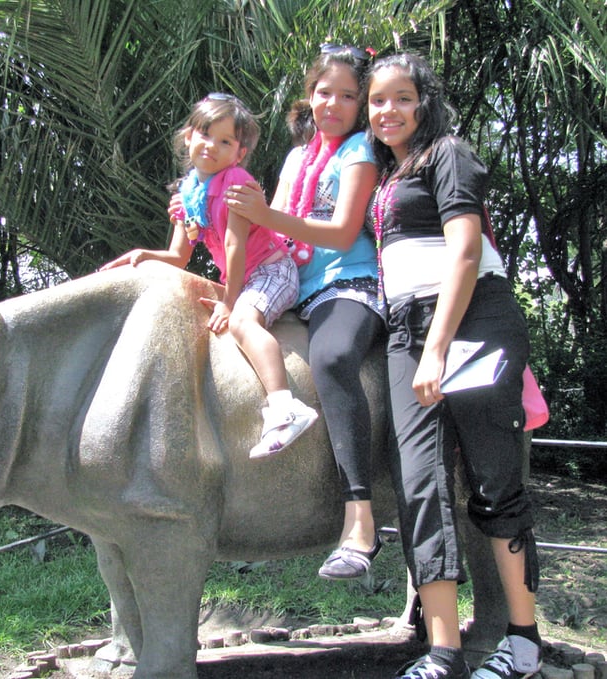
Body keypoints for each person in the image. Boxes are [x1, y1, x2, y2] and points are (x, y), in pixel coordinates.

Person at [365, 52, 541, 679]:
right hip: (404, 331)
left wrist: (437, 347)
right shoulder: (385, 177)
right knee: (419, 485)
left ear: (424, 102)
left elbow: (465, 253)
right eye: (378, 99)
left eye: (402, 97)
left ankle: (522, 641)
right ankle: (443, 653)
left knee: (494, 481)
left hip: (472, 322)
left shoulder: (449, 154)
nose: (389, 110)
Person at [224, 44, 386, 580]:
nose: (332, 104)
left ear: (361, 105)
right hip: (294, 286)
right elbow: (272, 230)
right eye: (323, 92)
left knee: (335, 357)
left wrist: (265, 213)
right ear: (308, 96)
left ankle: (359, 517)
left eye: (346, 95)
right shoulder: (296, 158)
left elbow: (342, 232)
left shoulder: (361, 149)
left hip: (349, 282)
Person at [100, 93, 318, 458]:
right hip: (245, 278)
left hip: (270, 270)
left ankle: (286, 407)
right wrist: (144, 255)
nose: (212, 146)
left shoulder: (236, 182)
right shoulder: (189, 191)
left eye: (225, 141)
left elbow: (235, 246)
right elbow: (179, 255)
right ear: (188, 136)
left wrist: (231, 303)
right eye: (205, 135)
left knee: (243, 324)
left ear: (239, 153)